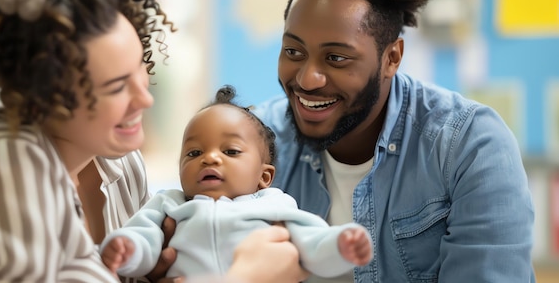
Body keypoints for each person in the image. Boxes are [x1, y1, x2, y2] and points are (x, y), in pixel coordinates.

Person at [0, 0, 307, 282]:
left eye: (139, 72)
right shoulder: (4, 169)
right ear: (43, 95)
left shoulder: (116, 160)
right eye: (115, 87)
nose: (144, 100)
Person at [250, 0, 536, 282]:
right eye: (294, 52)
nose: (308, 79)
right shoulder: (253, 141)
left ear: (392, 58)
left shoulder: (468, 146)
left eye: (336, 58)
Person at [100, 86, 373, 280]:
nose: (210, 159)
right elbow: (144, 236)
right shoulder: (170, 202)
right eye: (194, 153)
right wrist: (128, 249)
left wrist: (339, 246)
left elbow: (311, 243)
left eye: (230, 151)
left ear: (264, 177)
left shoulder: (274, 204)